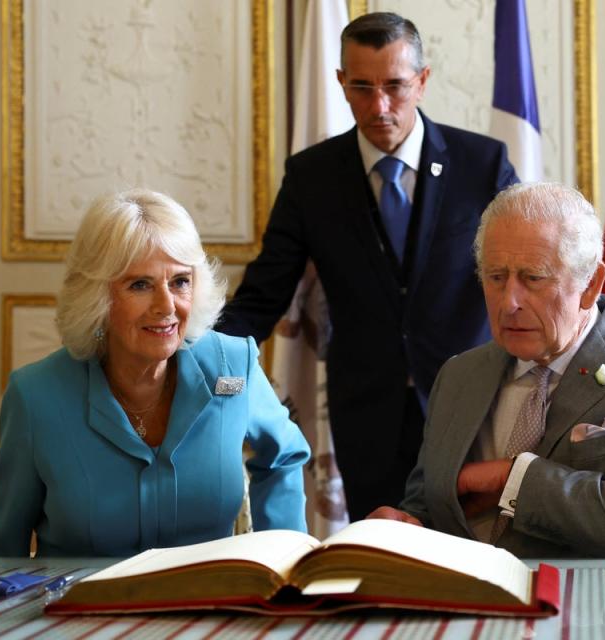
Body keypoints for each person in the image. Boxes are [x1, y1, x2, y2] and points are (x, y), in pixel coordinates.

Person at [217, 12, 518, 520]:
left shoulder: (482, 164)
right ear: (340, 83)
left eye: (395, 87)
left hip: (470, 407)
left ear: (422, 81)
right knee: (379, 566)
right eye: (361, 88)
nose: (379, 107)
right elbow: (263, 296)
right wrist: (194, 359)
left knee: (472, 558)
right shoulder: (312, 176)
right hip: (366, 415)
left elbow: (528, 273)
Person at [369, 182, 605, 558]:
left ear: (590, 285)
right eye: (496, 277)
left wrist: (514, 478)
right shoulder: (459, 375)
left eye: (533, 278)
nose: (510, 303)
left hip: (597, 610)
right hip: (463, 607)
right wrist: (406, 525)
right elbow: (430, 505)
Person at [0, 189, 310, 557]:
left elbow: (284, 456)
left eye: (180, 281)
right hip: (78, 612)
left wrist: (284, 562)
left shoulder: (232, 367)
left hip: (207, 609)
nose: (166, 306)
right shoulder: (36, 396)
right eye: (140, 285)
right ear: (97, 295)